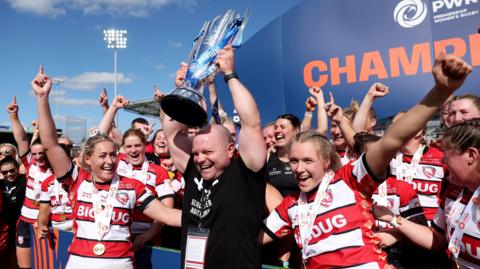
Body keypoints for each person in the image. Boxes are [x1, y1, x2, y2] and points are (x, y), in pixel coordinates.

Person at [260, 52, 472, 268]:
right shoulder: (290, 206)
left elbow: (392, 139)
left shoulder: (350, 180)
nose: (299, 168)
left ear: (326, 161)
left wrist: (441, 91)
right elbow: (250, 240)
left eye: (307, 160)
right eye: (294, 161)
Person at [31, 65, 181, 269]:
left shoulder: (132, 186)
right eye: (102, 156)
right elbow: (50, 144)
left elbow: (167, 215)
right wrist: (42, 98)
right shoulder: (77, 180)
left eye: (113, 155)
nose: (110, 161)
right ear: (88, 159)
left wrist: (214, 217)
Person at [160, 45, 267, 268]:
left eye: (208, 152)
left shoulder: (247, 173)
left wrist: (230, 75)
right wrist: (185, 88)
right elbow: (171, 133)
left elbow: (252, 122)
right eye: (197, 153)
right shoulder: (193, 171)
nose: (200, 159)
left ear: (230, 150)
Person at [374, 118, 480, 268]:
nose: (442, 159)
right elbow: (436, 240)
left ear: (471, 155)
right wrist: (392, 218)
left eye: (446, 152)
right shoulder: (453, 192)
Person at [7, 95, 53, 269]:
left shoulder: (58, 171)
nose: (38, 156)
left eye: (42, 153)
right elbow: (21, 140)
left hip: (46, 224)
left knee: (45, 266)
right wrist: (14, 117)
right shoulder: (31, 164)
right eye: (35, 154)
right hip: (25, 221)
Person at [0, 156, 26, 269]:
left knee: (20, 260)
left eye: (12, 170)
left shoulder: (26, 180)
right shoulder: (0, 184)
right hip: (5, 227)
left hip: (21, 225)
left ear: (17, 168)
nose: (9, 174)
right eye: (5, 172)